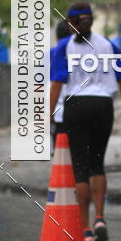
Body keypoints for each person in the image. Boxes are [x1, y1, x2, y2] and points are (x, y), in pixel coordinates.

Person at [49, 3, 121, 241]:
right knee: (97, 164)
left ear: (70, 23)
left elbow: (57, 83)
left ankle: (85, 228)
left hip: (76, 106)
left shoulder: (63, 47)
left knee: (80, 167)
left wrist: (49, 112)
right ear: (91, 21)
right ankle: (100, 218)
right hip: (103, 106)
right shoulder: (109, 45)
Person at [50, 19, 71, 154]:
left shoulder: (50, 54)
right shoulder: (82, 53)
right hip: (79, 108)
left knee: (61, 154)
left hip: (58, 111)